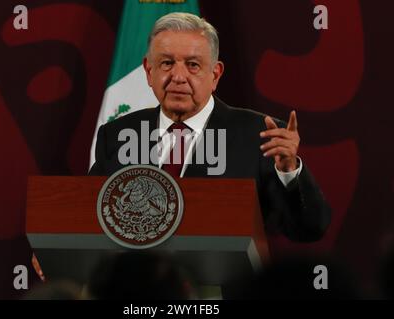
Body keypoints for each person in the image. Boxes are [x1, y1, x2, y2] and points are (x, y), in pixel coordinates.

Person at [89, 12, 331, 242]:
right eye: (166, 63)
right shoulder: (118, 135)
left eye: (193, 65)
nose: (179, 77)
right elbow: (87, 218)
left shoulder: (262, 136)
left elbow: (309, 229)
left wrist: (288, 172)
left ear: (215, 75)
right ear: (149, 71)